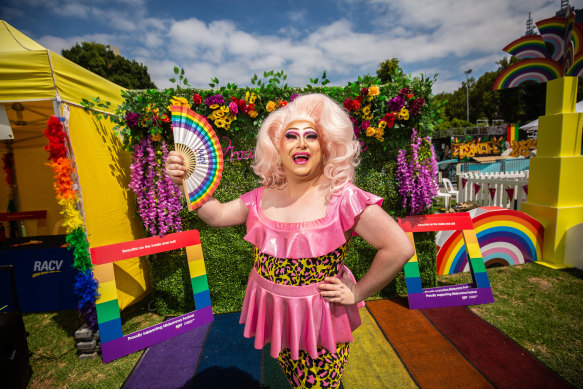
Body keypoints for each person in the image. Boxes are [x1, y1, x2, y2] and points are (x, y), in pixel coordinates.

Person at [165, 93, 414, 388]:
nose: (301, 142)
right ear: (277, 148)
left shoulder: (343, 197)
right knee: (295, 379)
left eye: (311, 136)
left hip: (319, 322)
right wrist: (187, 179)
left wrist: (357, 293)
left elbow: (399, 247)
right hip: (279, 316)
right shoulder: (262, 197)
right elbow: (216, 215)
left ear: (327, 146)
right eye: (291, 136)